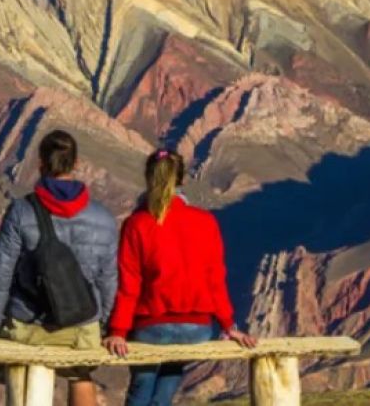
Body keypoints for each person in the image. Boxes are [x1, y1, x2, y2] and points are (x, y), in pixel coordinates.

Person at [0, 130, 118, 406]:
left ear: (41, 165)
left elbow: (0, 277)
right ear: (76, 164)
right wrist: (101, 324)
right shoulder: (103, 218)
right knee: (81, 376)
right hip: (80, 330)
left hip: (26, 328)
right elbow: (108, 280)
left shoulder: (21, 212)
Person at [104, 149, 257, 406]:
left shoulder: (137, 224)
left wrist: (118, 330)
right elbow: (215, 280)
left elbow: (129, 285)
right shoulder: (206, 222)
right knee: (170, 377)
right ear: (183, 180)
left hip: (150, 327)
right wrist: (230, 326)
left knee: (142, 385)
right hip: (196, 329)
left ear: (149, 178)